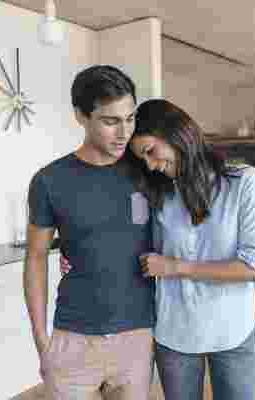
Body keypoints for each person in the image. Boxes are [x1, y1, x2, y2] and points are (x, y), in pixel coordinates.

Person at [61, 99, 255, 400]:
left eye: (150, 151)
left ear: (175, 133)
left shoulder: (243, 182)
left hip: (233, 329)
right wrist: (82, 257)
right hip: (175, 332)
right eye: (142, 159)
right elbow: (129, 243)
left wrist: (176, 267)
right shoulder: (157, 193)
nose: (150, 164)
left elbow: (253, 267)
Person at [23, 65, 156, 400]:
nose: (123, 133)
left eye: (130, 119)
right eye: (110, 121)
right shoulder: (49, 181)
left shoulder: (149, 171)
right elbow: (36, 257)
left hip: (138, 336)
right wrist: (41, 341)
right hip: (73, 338)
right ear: (81, 116)